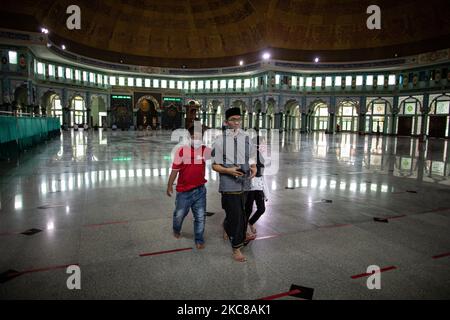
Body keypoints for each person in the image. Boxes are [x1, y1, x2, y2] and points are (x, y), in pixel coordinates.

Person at [212, 107, 256, 262]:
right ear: (226, 122)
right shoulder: (220, 140)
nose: (236, 122)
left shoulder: (246, 137)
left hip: (245, 183)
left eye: (238, 119)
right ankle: (236, 248)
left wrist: (254, 167)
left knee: (243, 213)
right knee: (236, 216)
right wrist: (229, 171)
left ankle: (229, 227)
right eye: (233, 120)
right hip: (229, 184)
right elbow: (215, 165)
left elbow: (251, 156)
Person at [166, 124, 211, 249]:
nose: (196, 139)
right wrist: (169, 185)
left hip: (200, 190)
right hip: (184, 191)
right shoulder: (182, 151)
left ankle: (199, 239)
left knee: (200, 217)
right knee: (179, 215)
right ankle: (176, 229)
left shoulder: (204, 150)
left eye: (199, 137)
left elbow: (218, 157)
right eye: (193, 136)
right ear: (189, 137)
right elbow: (174, 170)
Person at [245, 132, 267, 236]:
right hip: (250, 188)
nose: (265, 146)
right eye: (263, 144)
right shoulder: (250, 156)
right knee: (247, 210)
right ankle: (243, 230)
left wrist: (266, 192)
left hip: (259, 188)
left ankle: (251, 222)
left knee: (261, 209)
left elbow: (263, 176)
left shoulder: (261, 157)